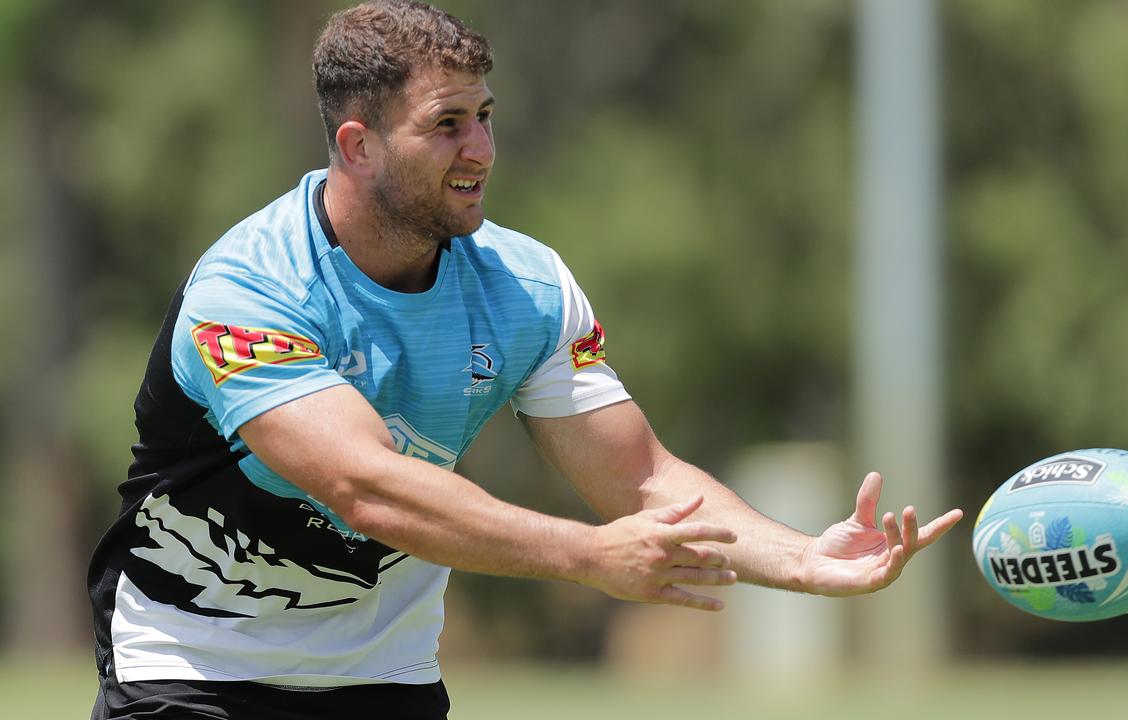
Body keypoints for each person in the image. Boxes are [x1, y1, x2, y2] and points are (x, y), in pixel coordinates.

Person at [86, 1, 964, 718]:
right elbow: (367, 487)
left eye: (485, 118)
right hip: (193, 669)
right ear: (358, 146)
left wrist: (802, 559)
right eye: (447, 125)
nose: (481, 150)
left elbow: (644, 478)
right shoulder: (248, 291)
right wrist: (588, 557)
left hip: (384, 681)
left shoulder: (527, 287)